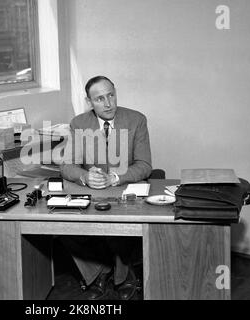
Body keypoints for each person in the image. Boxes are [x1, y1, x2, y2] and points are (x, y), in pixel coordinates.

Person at [60, 75, 152, 300]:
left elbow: (145, 165)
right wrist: (85, 176)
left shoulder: (136, 120)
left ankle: (124, 278)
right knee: (63, 225)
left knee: (120, 226)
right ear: (89, 102)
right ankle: (98, 274)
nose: (108, 103)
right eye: (100, 99)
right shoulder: (79, 123)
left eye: (111, 95)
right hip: (94, 193)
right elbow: (66, 165)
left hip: (125, 190)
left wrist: (116, 177)